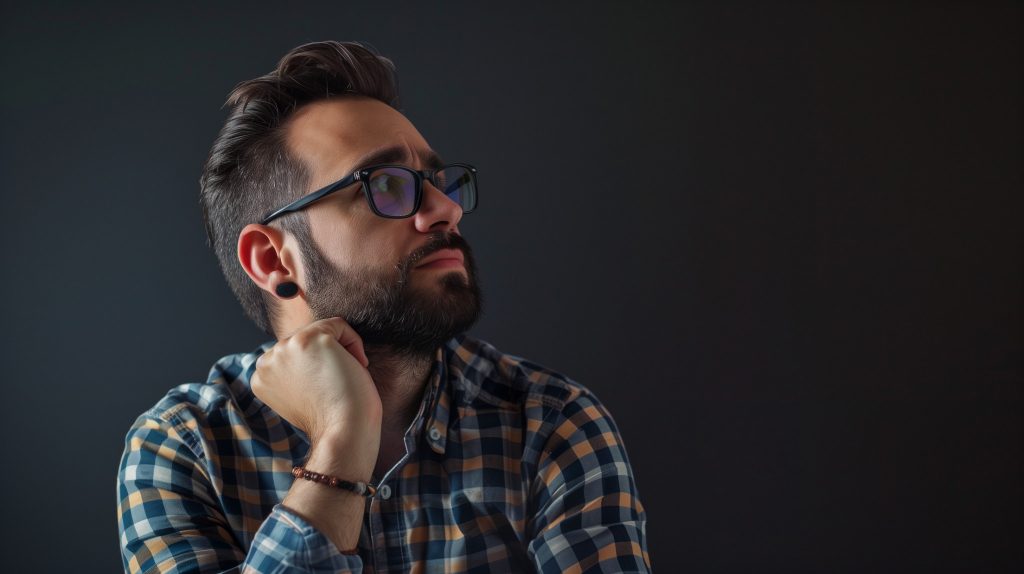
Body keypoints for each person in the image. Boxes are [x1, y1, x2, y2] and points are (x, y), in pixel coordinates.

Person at [116, 40, 651, 573]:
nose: (445, 210)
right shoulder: (183, 448)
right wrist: (341, 443)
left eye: (440, 183)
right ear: (273, 259)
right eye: (387, 185)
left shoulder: (552, 425)